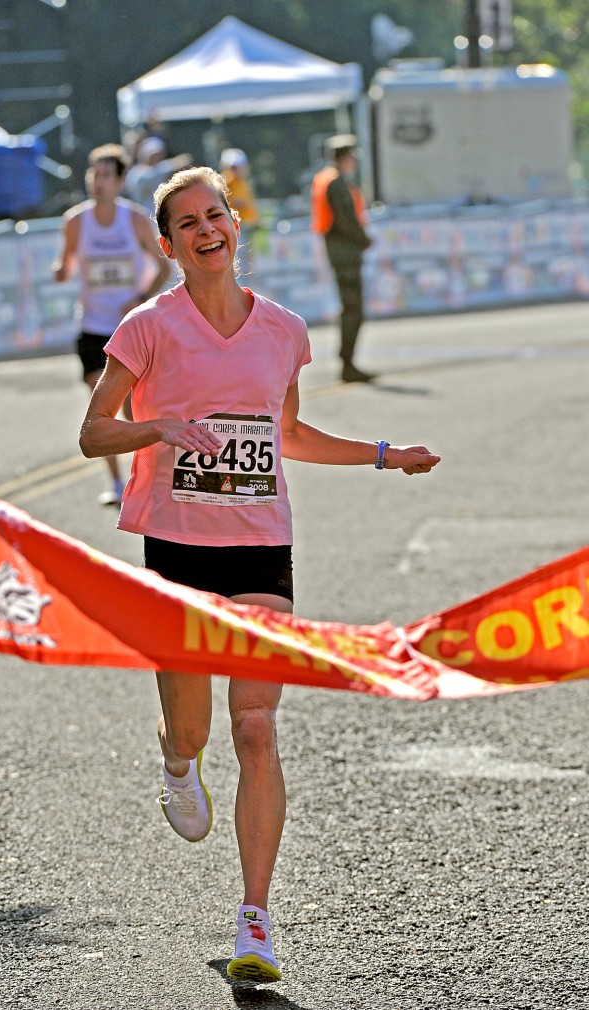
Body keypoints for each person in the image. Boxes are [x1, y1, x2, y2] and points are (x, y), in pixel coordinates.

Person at [78, 166, 440, 984]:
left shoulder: (283, 330)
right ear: (169, 245)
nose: (208, 230)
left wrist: (385, 454)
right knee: (198, 731)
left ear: (235, 226)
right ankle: (175, 759)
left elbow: (289, 436)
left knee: (256, 726)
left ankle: (256, 922)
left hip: (259, 546)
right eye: (189, 223)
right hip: (176, 548)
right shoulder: (147, 328)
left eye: (218, 215)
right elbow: (94, 433)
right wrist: (159, 425)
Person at [53, 143, 171, 506]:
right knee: (100, 406)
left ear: (120, 181)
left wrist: (141, 297)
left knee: (134, 408)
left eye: (106, 174)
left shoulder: (133, 220)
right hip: (91, 325)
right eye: (94, 173)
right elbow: (66, 266)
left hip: (128, 326)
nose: (98, 181)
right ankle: (116, 482)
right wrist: (58, 272)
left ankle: (146, 475)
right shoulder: (76, 221)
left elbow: (164, 266)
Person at [311, 134, 374, 383]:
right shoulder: (336, 183)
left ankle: (347, 361)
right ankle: (348, 363)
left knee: (350, 308)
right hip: (345, 254)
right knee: (353, 309)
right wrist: (365, 241)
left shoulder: (325, 179)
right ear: (344, 158)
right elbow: (346, 220)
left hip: (339, 253)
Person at [219, 148, 260, 275]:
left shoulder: (243, 182)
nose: (235, 170)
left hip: (246, 226)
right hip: (234, 227)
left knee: (247, 262)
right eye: (233, 167)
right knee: (238, 261)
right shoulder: (225, 181)